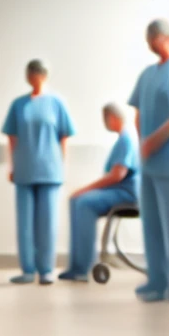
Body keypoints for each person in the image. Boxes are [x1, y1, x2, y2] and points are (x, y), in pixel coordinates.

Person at [2, 59, 75, 285]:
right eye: (30, 73)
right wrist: (12, 166)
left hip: (50, 171)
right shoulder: (18, 105)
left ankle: (46, 270)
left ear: (44, 76)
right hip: (24, 169)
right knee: (24, 223)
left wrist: (61, 165)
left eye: (38, 73)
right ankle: (27, 270)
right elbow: (12, 138)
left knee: (47, 223)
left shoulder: (56, 103)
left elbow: (64, 137)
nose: (34, 77)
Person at [128, 19, 169, 303]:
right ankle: (156, 281)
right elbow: (137, 111)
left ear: (163, 38)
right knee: (151, 223)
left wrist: (154, 140)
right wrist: (142, 142)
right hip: (147, 162)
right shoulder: (147, 74)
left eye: (152, 38)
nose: (149, 44)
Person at [58, 104, 140, 282]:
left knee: (83, 202)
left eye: (105, 119)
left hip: (127, 194)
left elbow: (118, 175)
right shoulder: (123, 140)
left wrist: (84, 189)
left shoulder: (126, 140)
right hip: (120, 191)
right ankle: (76, 266)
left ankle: (82, 268)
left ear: (112, 117)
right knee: (76, 201)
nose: (105, 123)